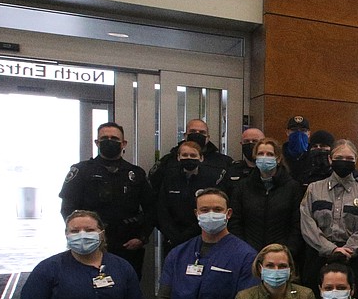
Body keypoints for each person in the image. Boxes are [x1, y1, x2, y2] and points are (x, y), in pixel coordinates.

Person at [59, 122, 154, 278]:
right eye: (104, 138)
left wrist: (142, 237)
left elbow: (151, 208)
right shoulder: (82, 171)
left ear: (124, 143)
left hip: (128, 244)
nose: (109, 141)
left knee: (126, 287)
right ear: (97, 142)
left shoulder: (135, 173)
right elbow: (67, 209)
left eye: (114, 138)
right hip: (90, 243)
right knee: (88, 285)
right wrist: (78, 234)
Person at [299, 139, 358, 298]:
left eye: (350, 159)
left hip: (354, 260)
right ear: (330, 159)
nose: (344, 162)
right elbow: (307, 223)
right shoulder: (314, 189)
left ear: (356, 161)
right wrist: (331, 249)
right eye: (340, 158)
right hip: (318, 257)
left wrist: (347, 251)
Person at [228, 137, 304, 258]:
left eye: (269, 154)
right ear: (255, 158)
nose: (265, 157)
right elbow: (235, 222)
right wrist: (243, 250)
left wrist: (288, 252)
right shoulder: (242, 187)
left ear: (278, 159)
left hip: (282, 256)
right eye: (260, 154)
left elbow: (297, 225)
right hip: (247, 254)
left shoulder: (293, 187)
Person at [155, 139, 227, 253]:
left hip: (201, 237)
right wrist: (173, 236)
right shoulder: (169, 178)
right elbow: (162, 210)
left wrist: (188, 236)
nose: (189, 158)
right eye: (185, 155)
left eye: (193, 155)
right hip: (172, 241)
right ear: (178, 157)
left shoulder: (211, 180)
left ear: (201, 158)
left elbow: (210, 210)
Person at [149, 118, 233, 192]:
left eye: (202, 132)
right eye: (193, 131)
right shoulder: (168, 160)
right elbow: (155, 188)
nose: (197, 134)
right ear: (185, 136)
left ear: (208, 137)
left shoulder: (223, 162)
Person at [223, 127, 265, 191]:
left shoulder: (272, 170)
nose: (250, 144)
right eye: (246, 141)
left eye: (255, 141)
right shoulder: (231, 170)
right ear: (241, 144)